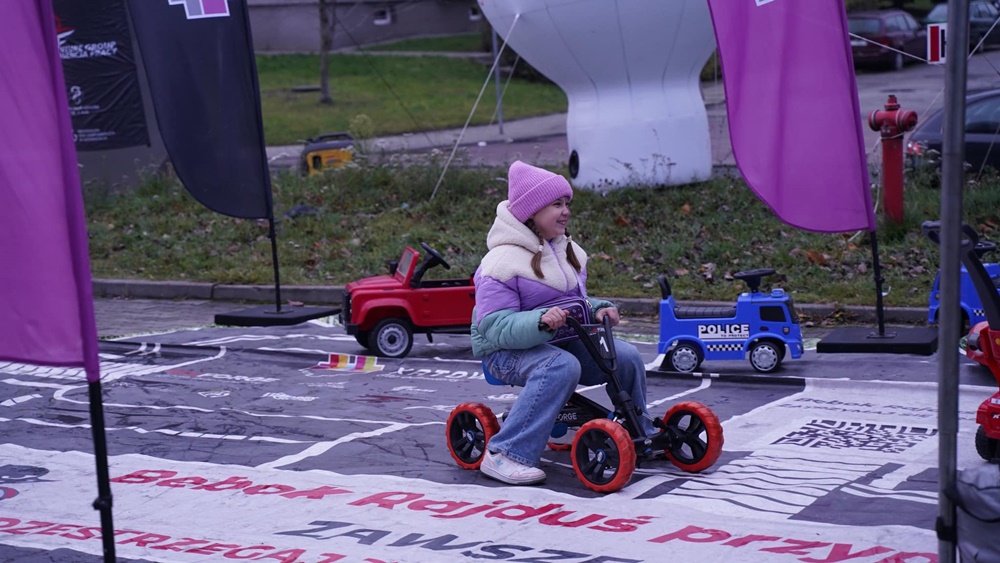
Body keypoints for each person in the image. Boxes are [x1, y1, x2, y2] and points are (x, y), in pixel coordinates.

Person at [470, 160, 658, 486]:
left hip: (558, 340)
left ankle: (638, 430)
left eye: (566, 203)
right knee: (561, 366)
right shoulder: (499, 262)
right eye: (556, 204)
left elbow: (575, 303)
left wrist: (599, 309)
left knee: (623, 356)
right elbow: (493, 326)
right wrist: (540, 321)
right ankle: (505, 453)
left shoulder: (566, 250)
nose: (565, 211)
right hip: (504, 351)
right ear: (531, 212)